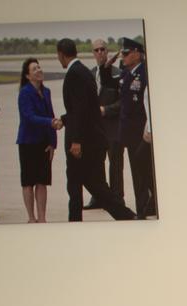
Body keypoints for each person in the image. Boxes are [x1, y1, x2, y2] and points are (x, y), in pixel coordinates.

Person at [55, 38, 134, 221]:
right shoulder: (84, 72)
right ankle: (124, 215)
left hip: (82, 144)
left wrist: (75, 140)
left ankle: (122, 215)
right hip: (91, 139)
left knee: (82, 187)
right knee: (91, 186)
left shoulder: (74, 74)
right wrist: (64, 120)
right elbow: (83, 109)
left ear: (61, 54)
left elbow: (80, 109)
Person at [16, 59, 60, 224]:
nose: (39, 70)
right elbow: (29, 117)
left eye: (39, 67)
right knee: (28, 182)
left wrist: (53, 143)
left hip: (43, 143)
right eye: (34, 69)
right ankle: (31, 217)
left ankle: (42, 217)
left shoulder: (46, 91)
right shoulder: (25, 93)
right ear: (28, 75)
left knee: (42, 182)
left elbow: (51, 113)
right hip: (28, 142)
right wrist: (50, 122)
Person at [117, 37, 157, 218]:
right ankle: (145, 206)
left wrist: (148, 128)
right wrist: (103, 66)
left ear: (136, 54)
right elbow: (109, 83)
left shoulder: (144, 73)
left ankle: (147, 205)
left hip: (141, 130)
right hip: (129, 132)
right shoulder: (127, 73)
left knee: (142, 169)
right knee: (136, 171)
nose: (123, 57)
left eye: (126, 53)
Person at [89, 39, 124, 206]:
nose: (100, 52)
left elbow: (123, 101)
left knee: (115, 162)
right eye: (97, 50)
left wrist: (106, 110)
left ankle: (117, 197)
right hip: (96, 127)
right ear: (93, 53)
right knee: (96, 162)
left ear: (107, 51)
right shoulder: (89, 74)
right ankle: (98, 196)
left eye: (103, 49)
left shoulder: (117, 72)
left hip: (112, 125)